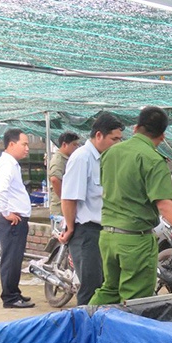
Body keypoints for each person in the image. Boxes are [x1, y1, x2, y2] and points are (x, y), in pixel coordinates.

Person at [90, 106, 172, 304]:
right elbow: (165, 206)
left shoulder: (110, 154)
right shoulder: (153, 160)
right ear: (162, 136)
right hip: (134, 241)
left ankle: (81, 327)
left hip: (108, 237)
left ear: (135, 128)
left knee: (109, 290)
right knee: (135, 301)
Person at [57, 113, 124, 305]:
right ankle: (84, 332)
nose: (117, 143)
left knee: (104, 285)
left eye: (119, 139)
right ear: (99, 135)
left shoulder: (104, 158)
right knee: (90, 287)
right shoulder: (82, 158)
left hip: (103, 231)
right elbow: (69, 198)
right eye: (114, 139)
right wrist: (70, 228)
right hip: (85, 232)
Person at [0, 129, 35, 309]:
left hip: (15, 218)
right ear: (11, 144)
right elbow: (0, 190)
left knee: (15, 258)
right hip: (11, 220)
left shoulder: (11, 163)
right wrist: (6, 212)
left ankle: (14, 292)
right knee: (11, 258)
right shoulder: (7, 165)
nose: (27, 149)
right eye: (24, 144)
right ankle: (9, 297)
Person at [46, 131, 81, 219]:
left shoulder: (69, 159)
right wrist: (65, 200)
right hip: (60, 209)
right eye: (74, 145)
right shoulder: (58, 160)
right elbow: (54, 179)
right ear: (64, 144)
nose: (77, 147)